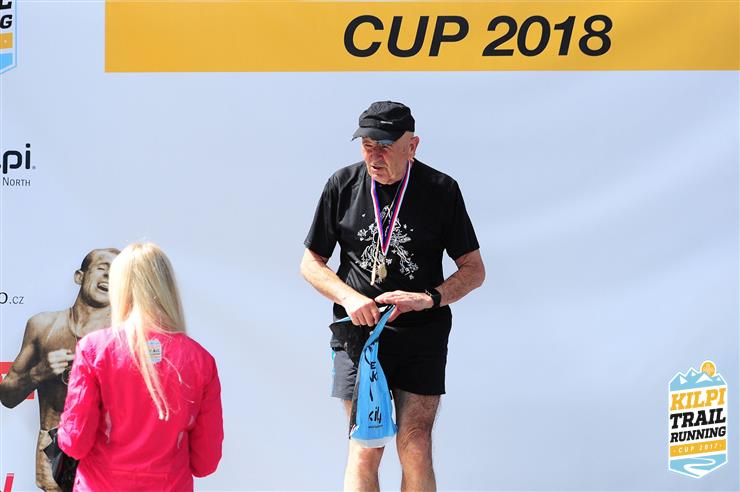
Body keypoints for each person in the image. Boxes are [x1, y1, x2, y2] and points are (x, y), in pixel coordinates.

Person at [300, 101, 485, 491]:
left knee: (415, 443)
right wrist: (349, 298)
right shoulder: (341, 185)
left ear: (412, 145)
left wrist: (429, 298)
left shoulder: (441, 190)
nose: (374, 156)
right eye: (367, 145)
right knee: (365, 447)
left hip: (422, 335)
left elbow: (474, 269)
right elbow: (310, 263)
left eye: (384, 146)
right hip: (359, 337)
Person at [56, 242, 223, 491]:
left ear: (119, 289)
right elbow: (205, 462)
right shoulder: (200, 360)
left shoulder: (94, 350)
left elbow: (75, 443)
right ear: (167, 289)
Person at [0, 248, 120, 492]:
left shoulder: (126, 335)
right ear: (79, 276)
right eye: (102, 268)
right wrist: (39, 372)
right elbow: (7, 397)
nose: (109, 276)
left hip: (106, 450)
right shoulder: (43, 325)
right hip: (53, 450)